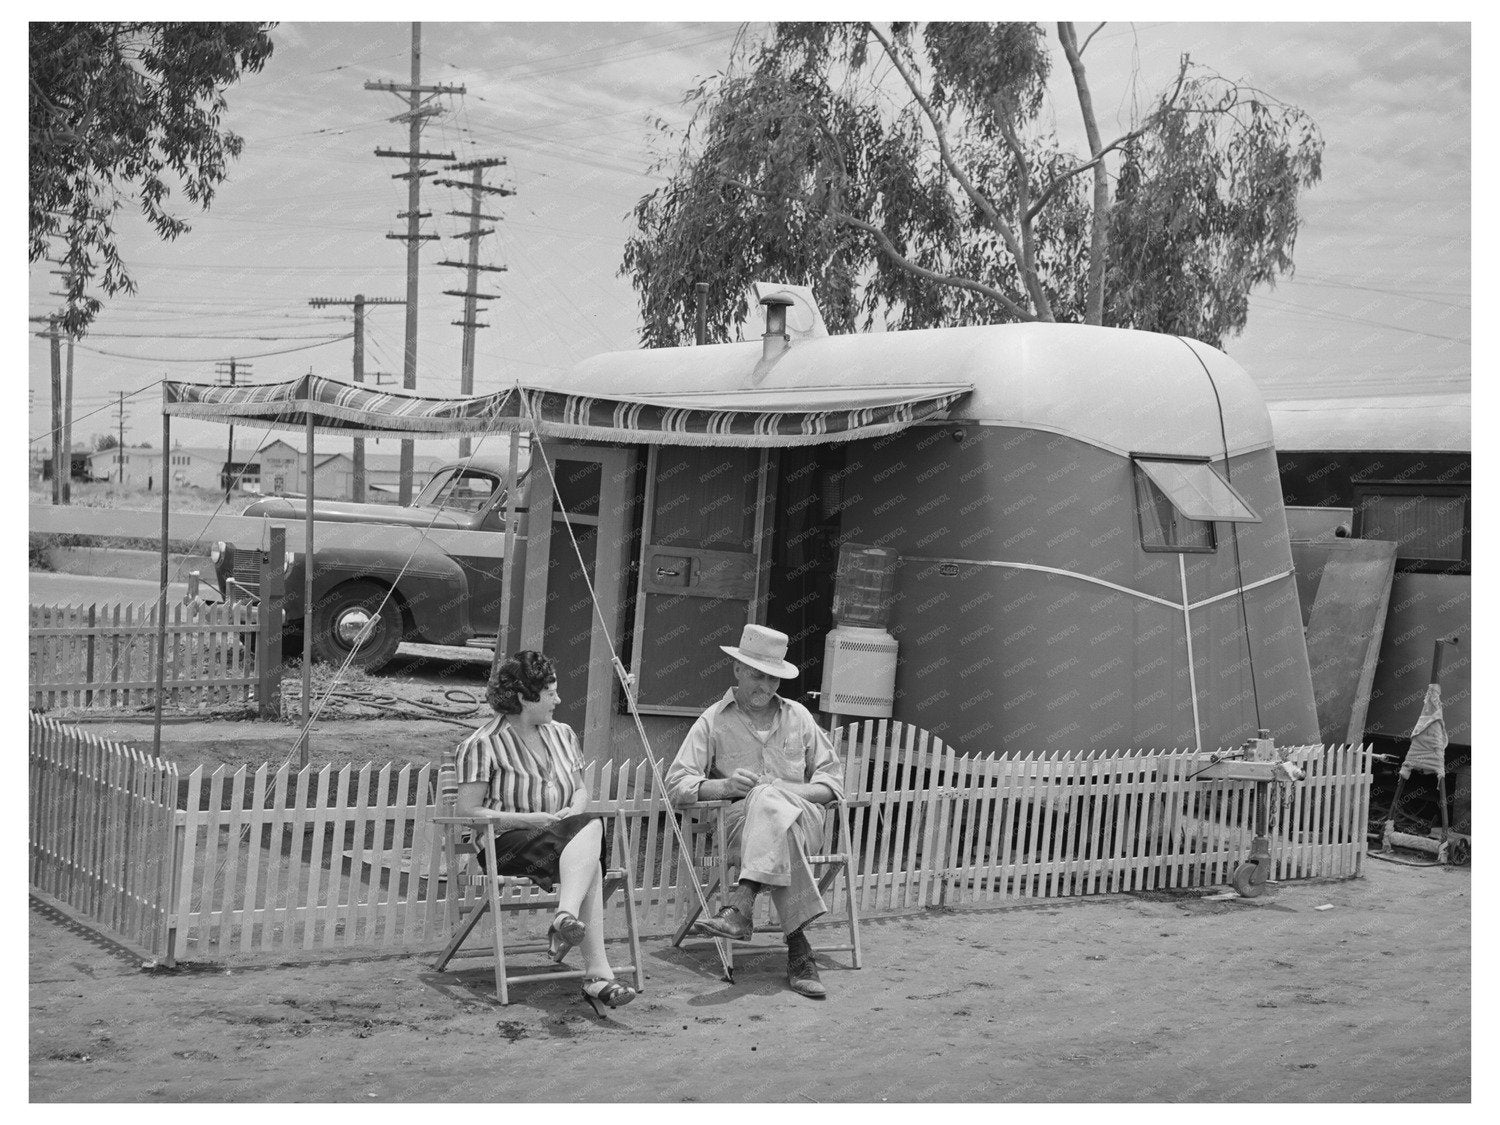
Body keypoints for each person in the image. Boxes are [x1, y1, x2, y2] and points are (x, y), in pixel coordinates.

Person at [451, 650, 636, 1014]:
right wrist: (529, 819)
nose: (559, 700)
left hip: (564, 839)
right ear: (524, 697)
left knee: (590, 833)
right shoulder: (482, 744)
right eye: (550, 692)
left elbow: (581, 789)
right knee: (592, 850)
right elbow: (467, 811)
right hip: (509, 843)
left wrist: (575, 809)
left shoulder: (563, 734)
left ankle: (574, 934)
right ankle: (592, 967)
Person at [665, 624, 844, 999]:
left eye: (774, 679)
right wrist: (725, 787)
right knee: (771, 815)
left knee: (768, 796)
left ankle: (741, 904)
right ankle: (798, 949)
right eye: (758, 675)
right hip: (741, 831)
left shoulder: (800, 717)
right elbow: (677, 784)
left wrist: (782, 790)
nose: (766, 686)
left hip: (806, 820)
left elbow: (832, 785)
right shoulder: (713, 720)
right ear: (738, 670)